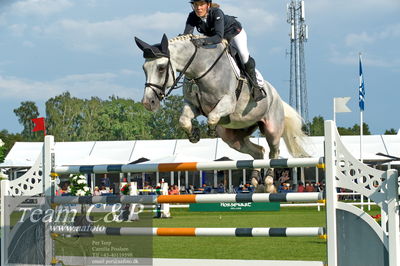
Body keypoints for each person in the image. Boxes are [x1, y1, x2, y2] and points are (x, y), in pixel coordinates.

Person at [183, 0, 266, 101]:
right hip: (215, 37)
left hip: (234, 33)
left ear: (208, 5)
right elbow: (186, 35)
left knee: (243, 55)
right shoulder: (192, 16)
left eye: (201, 4)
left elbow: (218, 38)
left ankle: (256, 86)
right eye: (196, 5)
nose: (198, 8)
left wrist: (200, 41)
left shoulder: (217, 13)